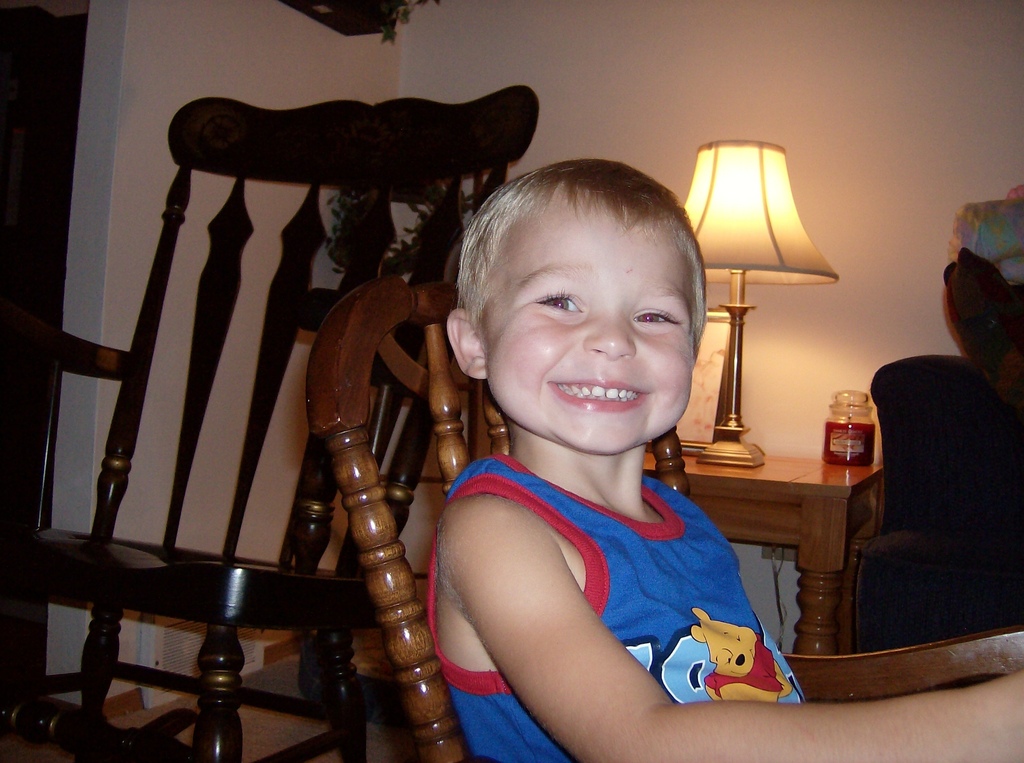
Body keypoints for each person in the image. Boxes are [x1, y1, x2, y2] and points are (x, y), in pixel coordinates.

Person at [428, 158, 1024, 762]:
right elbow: (640, 743)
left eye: (654, 316)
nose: (614, 338)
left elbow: (748, 691)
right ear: (473, 343)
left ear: (692, 353)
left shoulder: (686, 523)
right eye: (560, 301)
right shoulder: (494, 529)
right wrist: (988, 724)